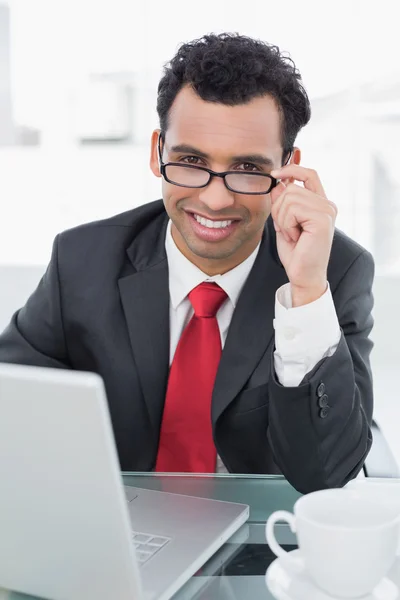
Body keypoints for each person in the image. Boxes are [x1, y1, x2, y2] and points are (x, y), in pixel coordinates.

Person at [0, 33, 374, 493]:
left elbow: (328, 474)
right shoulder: (82, 261)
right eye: (191, 160)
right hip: (119, 532)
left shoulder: (334, 273)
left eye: (248, 169)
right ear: (159, 152)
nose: (215, 199)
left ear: (288, 168)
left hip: (263, 544)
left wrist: (306, 294)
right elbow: (11, 413)